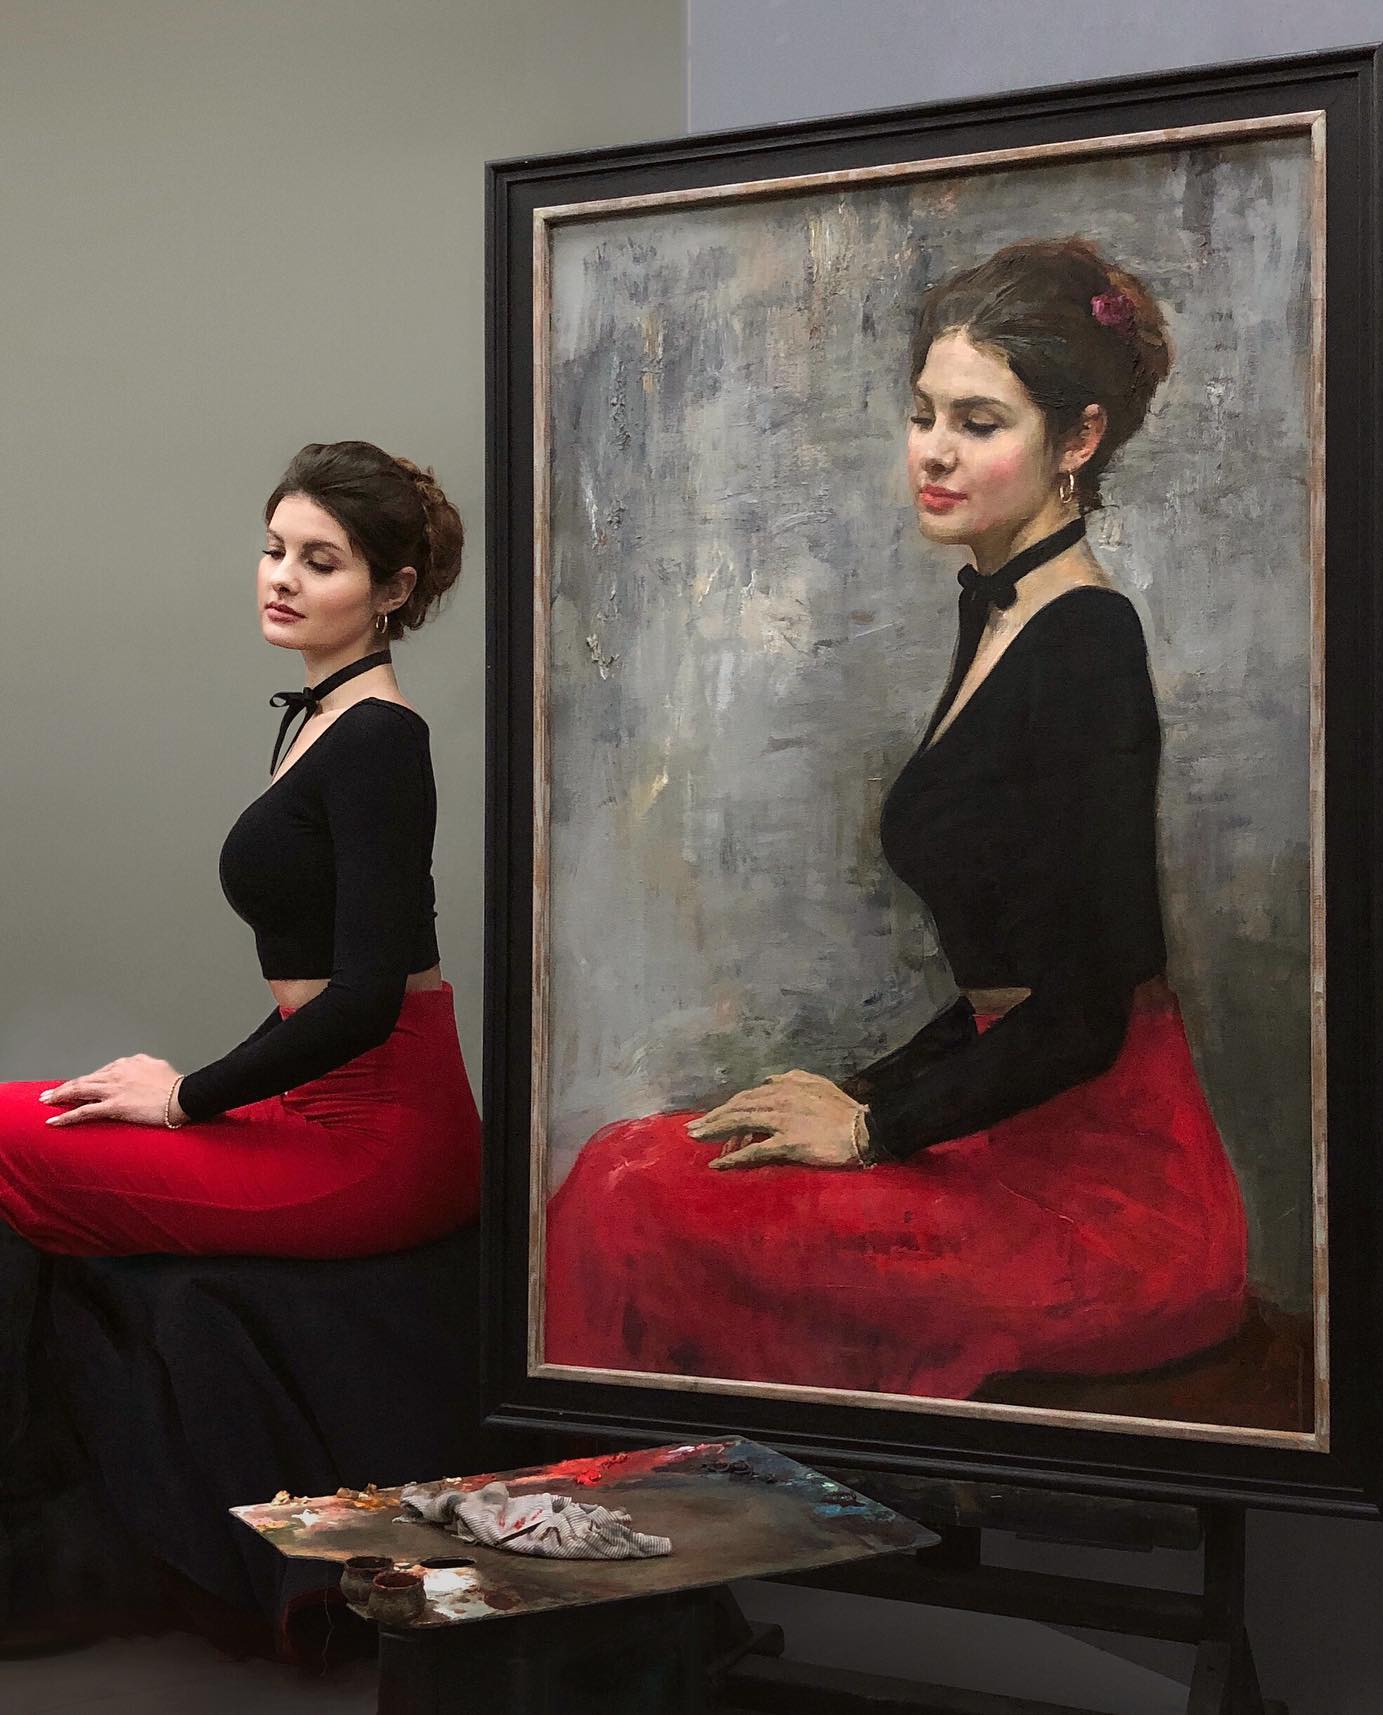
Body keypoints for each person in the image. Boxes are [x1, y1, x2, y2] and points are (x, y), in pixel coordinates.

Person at [545, 238, 1250, 1403]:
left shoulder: (1087, 641)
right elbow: (1009, 980)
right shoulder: (1002, 613)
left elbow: (1086, 1009)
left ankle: (624, 1495)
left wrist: (874, 1128)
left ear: (1078, 439)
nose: (933, 449)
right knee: (634, 1161)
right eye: (924, 414)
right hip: (1005, 1118)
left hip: (1105, 1191)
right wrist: (865, 1089)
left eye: (979, 421)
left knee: (631, 1197)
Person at [0, 440, 483, 1639]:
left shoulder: (380, 738)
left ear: (393, 590)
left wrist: (187, 1098)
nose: (281, 577)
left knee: (7, 1136)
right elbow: (323, 999)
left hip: (380, 1139)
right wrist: (194, 1084)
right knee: (30, 1113)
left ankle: (26, 1527)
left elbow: (367, 998)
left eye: (322, 561)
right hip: (334, 1103)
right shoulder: (322, 720)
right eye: (275, 548)